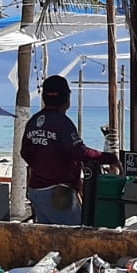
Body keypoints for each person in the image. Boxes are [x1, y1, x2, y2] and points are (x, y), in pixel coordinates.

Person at [21, 75, 118, 224]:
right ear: (67, 99)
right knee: (74, 239)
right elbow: (80, 152)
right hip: (58, 194)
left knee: (48, 238)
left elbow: (25, 153)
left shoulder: (34, 121)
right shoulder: (63, 123)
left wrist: (43, 166)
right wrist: (110, 158)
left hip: (36, 191)